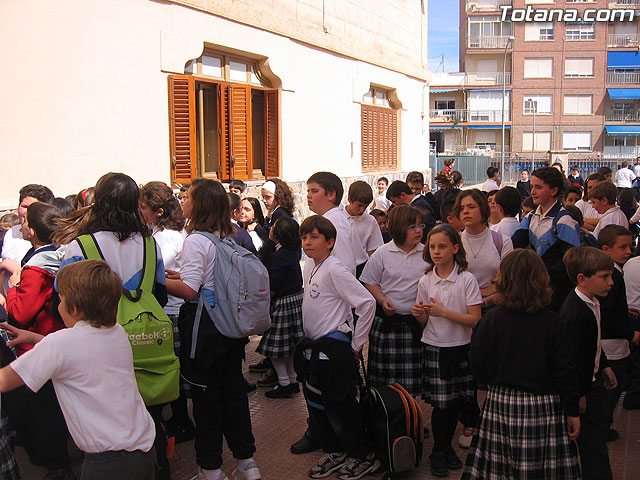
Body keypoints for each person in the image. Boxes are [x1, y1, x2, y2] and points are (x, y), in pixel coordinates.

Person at [53, 172, 171, 480]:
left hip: (102, 349)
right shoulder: (149, 243)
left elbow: (65, 303)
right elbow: (158, 293)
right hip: (149, 346)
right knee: (151, 421)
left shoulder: (81, 247)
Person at [0, 259, 157, 479]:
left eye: (60, 300)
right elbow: (78, 351)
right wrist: (37, 339)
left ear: (73, 307)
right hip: (144, 451)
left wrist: (42, 343)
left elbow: (4, 380)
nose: (58, 305)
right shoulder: (116, 331)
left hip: (108, 462)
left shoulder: (61, 345)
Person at [165, 178, 261, 480]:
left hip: (205, 331)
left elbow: (191, 290)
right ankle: (247, 463)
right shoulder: (227, 235)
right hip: (231, 328)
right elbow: (212, 278)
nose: (183, 202)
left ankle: (211, 468)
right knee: (233, 395)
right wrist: (181, 274)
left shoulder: (195, 240)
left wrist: (156, 278)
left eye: (188, 197)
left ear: (200, 204)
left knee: (206, 401)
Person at [462, 250, 581, 479]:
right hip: (544, 407)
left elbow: (477, 364)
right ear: (541, 279)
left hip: (501, 403)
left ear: (503, 280)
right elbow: (565, 371)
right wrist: (572, 410)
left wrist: (494, 382)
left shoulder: (490, 321)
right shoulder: (554, 323)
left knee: (499, 470)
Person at [295, 215, 380, 480]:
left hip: (334, 349)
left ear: (330, 242)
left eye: (315, 237)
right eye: (305, 237)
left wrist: (356, 343)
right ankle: (335, 449)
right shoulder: (311, 265)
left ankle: (362, 455)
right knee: (318, 404)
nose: (308, 242)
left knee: (341, 405)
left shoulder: (335, 268)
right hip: (314, 349)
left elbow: (366, 303)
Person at [3, 202, 73, 480]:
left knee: (44, 411)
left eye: (23, 222)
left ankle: (57, 465)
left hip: (37, 346)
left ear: (31, 230)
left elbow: (21, 313)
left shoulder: (35, 268)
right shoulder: (60, 254)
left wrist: (11, 289)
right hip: (54, 338)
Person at [411, 224, 482, 477]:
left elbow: (474, 319)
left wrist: (444, 312)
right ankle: (440, 449)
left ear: (455, 248)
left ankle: (444, 447)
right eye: (432, 247)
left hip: (460, 347)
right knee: (441, 405)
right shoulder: (425, 280)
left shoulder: (466, 279)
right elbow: (424, 321)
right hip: (435, 346)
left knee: (456, 402)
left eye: (442, 246)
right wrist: (420, 314)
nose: (436, 251)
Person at [139, 181, 194, 443]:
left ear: (158, 211)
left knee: (175, 367)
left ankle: (182, 420)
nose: (141, 213)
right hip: (175, 307)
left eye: (144, 208)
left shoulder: (163, 239)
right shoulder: (173, 233)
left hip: (173, 309)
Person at [560, 247, 618, 480]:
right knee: (593, 446)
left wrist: (603, 364)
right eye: (604, 277)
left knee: (595, 440)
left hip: (590, 383)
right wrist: (578, 397)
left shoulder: (591, 302)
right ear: (582, 279)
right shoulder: (574, 314)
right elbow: (572, 361)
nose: (611, 282)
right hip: (583, 390)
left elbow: (592, 343)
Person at [360, 205, 429, 397]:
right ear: (399, 228)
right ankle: (388, 420)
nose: (418, 231)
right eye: (412, 227)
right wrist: (383, 301)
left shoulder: (426, 254)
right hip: (387, 326)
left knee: (412, 380)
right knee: (385, 381)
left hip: (414, 326)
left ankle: (409, 419)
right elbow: (369, 282)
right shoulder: (382, 253)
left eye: (420, 226)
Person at [512, 167, 581, 312]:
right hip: (535, 289)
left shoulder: (565, 221)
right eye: (532, 187)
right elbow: (513, 245)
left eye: (538, 187)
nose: (532, 192)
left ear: (553, 191)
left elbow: (572, 262)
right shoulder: (531, 217)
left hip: (556, 294)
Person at [596, 225, 640, 442]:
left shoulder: (613, 272)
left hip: (610, 343)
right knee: (610, 391)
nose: (628, 251)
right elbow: (606, 313)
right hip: (612, 346)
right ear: (605, 249)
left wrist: (624, 309)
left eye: (630, 246)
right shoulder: (611, 275)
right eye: (622, 247)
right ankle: (602, 429)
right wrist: (630, 333)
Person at [255, 217, 304, 398]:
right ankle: (291, 380)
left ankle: (284, 382)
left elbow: (272, 287)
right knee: (289, 346)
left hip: (283, 303)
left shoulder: (280, 256)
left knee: (276, 348)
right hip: (295, 300)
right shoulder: (292, 251)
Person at [0, 184, 54, 295]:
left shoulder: (45, 235)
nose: (26, 212)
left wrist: (8, 265)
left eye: (32, 207)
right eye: (24, 206)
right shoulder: (11, 232)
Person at [306, 172, 356, 276]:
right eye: (308, 191)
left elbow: (345, 266)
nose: (308, 196)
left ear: (331, 195)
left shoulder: (335, 223)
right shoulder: (327, 220)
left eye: (314, 191)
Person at [343, 181, 383, 278]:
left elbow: (374, 249)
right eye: (359, 205)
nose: (362, 210)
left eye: (365, 206)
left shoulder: (370, 221)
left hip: (363, 268)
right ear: (349, 199)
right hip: (342, 268)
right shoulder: (338, 219)